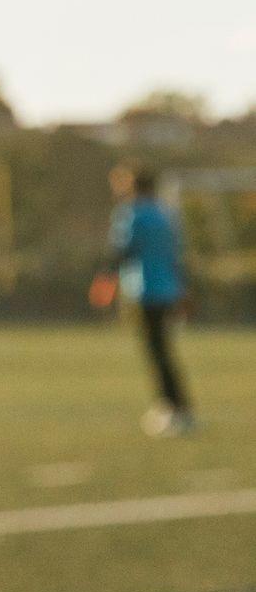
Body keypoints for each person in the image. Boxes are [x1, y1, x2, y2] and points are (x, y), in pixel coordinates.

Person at [102, 164, 194, 435]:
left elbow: (122, 249)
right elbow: (176, 255)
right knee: (163, 350)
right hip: (169, 290)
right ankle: (177, 406)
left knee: (156, 352)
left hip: (145, 290)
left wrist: (106, 282)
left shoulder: (131, 213)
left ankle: (172, 408)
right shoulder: (165, 213)